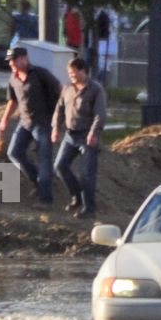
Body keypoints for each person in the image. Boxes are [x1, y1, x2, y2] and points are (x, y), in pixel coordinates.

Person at [0, 45, 60, 205]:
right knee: (14, 152)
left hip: (44, 123)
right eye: (10, 62)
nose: (11, 64)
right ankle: (37, 181)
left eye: (14, 60)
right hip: (25, 123)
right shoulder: (13, 78)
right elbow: (13, 100)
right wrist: (4, 121)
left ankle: (46, 199)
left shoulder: (40, 74)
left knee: (44, 159)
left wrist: (59, 119)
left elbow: (60, 91)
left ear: (24, 59)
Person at [51, 56, 106, 218]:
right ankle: (77, 196)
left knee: (87, 173)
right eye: (70, 74)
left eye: (74, 74)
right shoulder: (67, 89)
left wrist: (93, 133)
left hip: (87, 136)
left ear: (83, 71)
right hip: (70, 135)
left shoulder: (95, 89)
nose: (72, 77)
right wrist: (56, 128)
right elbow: (59, 110)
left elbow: (100, 114)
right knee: (60, 166)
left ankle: (89, 208)